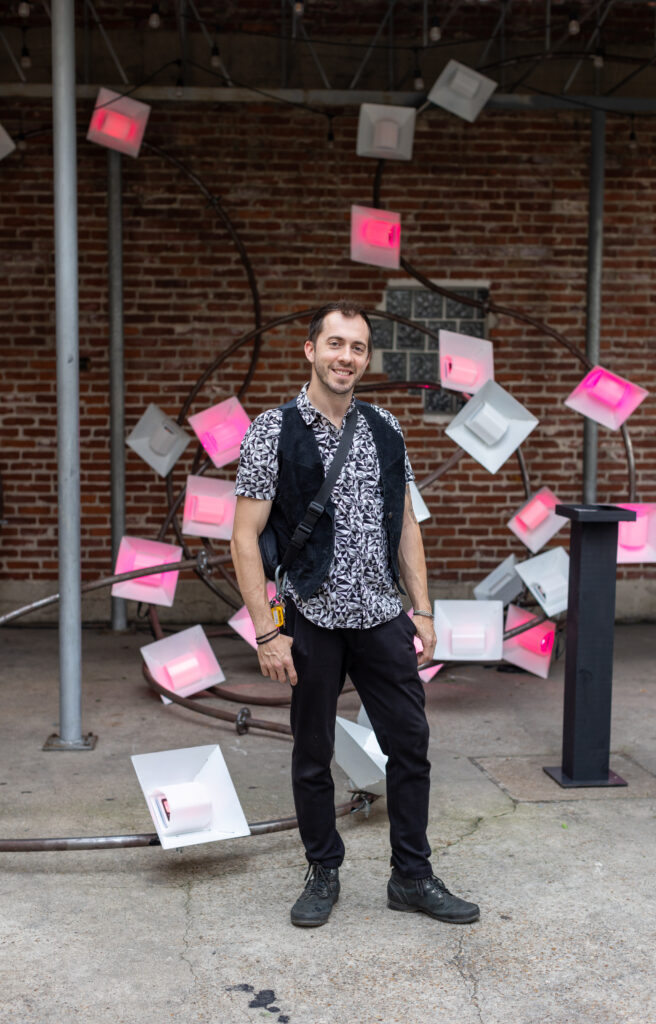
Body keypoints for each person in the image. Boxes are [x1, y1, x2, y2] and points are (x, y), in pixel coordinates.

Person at [230, 300, 480, 928]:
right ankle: (323, 869)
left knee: (411, 746)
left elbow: (406, 524)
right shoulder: (271, 430)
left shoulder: (385, 427)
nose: (346, 357)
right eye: (335, 344)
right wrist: (267, 631)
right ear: (311, 350)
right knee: (313, 753)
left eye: (358, 348)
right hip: (311, 615)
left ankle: (412, 876)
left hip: (381, 614)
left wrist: (422, 610)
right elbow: (243, 537)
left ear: (367, 359)